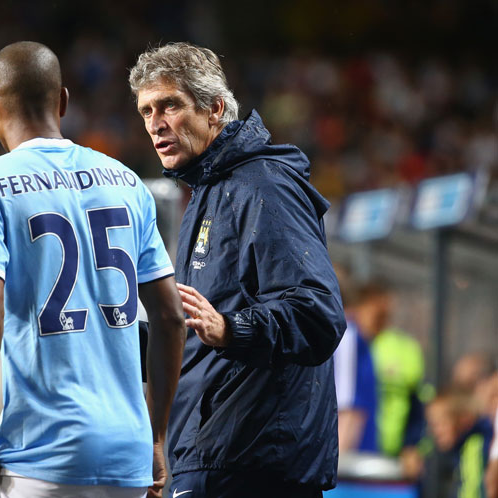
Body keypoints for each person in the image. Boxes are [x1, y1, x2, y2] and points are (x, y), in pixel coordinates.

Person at [0, 41, 185, 498]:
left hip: (41, 459)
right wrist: (155, 437)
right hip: (128, 461)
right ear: (63, 101)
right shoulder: (127, 182)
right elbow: (171, 317)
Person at [129, 42, 346, 497]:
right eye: (147, 110)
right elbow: (198, 329)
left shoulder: (262, 184)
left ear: (215, 109)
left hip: (251, 465)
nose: (155, 123)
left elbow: (317, 311)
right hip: (210, 457)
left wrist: (230, 328)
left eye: (169, 105)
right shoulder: (210, 191)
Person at [333, 280, 379, 453]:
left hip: (354, 454)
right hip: (351, 453)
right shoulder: (348, 336)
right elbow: (348, 408)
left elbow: (350, 405)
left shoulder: (353, 338)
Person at [426, 390, 494, 498]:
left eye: (440, 423)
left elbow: (473, 490)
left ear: (463, 419)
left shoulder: (476, 446)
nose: (434, 432)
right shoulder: (461, 451)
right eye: (432, 425)